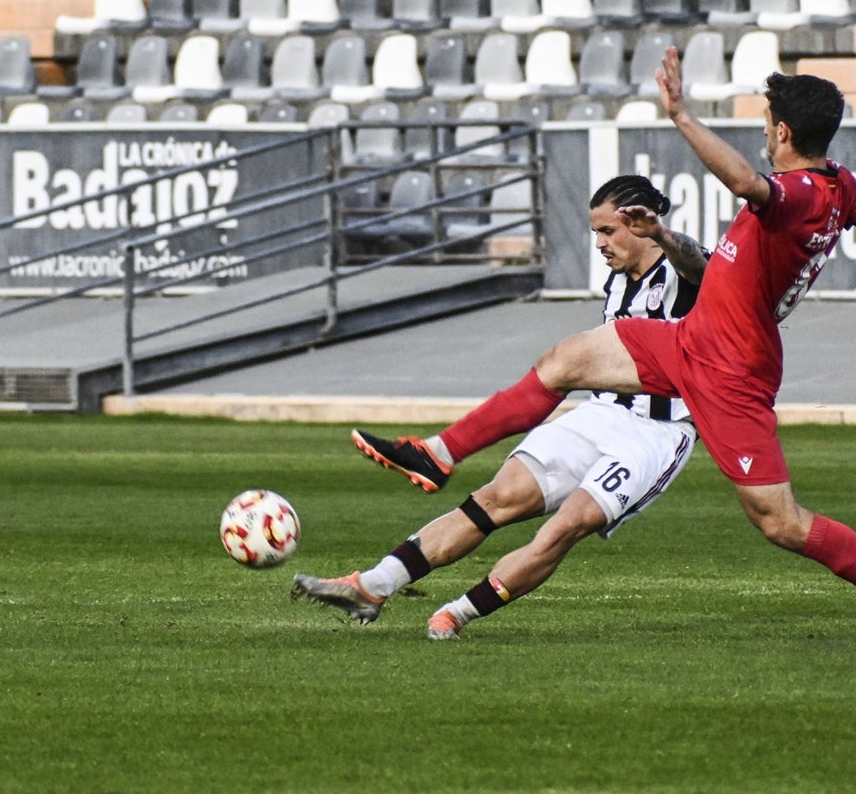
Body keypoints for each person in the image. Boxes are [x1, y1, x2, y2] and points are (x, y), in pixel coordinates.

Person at [347, 47, 856, 656]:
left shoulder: (799, 193)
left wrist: (682, 117)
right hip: (690, 342)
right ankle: (440, 452)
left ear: (782, 133)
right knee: (565, 360)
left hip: (731, 370)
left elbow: (748, 183)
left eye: (767, 120)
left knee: (780, 522)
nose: (763, 130)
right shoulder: (840, 185)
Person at [293, 175, 709, 640]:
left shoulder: (682, 270)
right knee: (496, 497)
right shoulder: (617, 280)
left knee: (567, 525)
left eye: (608, 231)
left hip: (656, 432)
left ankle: (458, 613)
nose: (600, 243)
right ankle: (373, 585)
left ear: (641, 223)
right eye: (594, 233)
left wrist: (664, 235)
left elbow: (697, 265)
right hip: (599, 414)